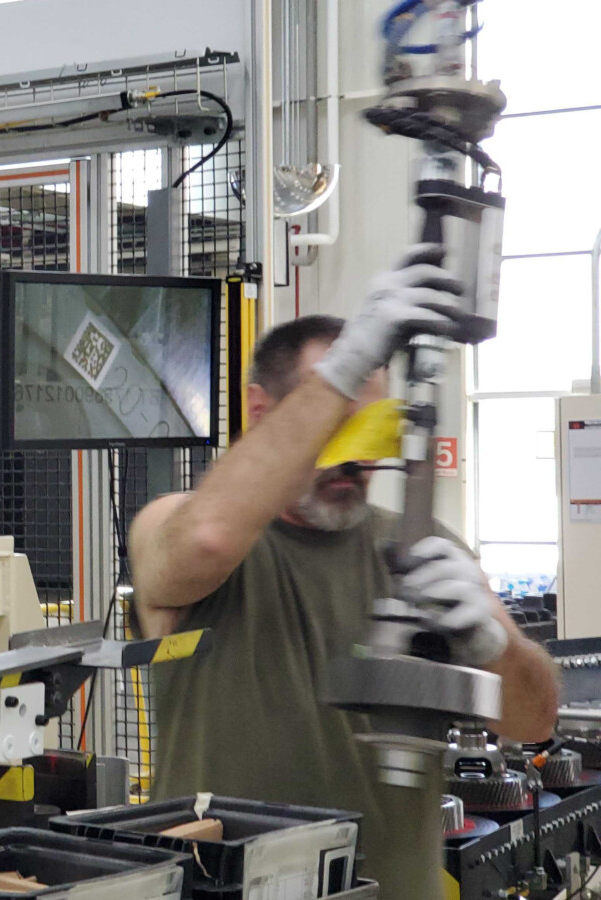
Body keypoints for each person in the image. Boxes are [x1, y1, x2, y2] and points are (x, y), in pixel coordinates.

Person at [128, 245, 560, 899]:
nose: (359, 460)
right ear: (263, 412)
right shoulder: (177, 525)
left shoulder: (426, 547)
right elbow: (209, 538)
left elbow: (534, 721)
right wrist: (348, 361)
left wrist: (496, 648)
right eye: (336, 427)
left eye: (373, 431)